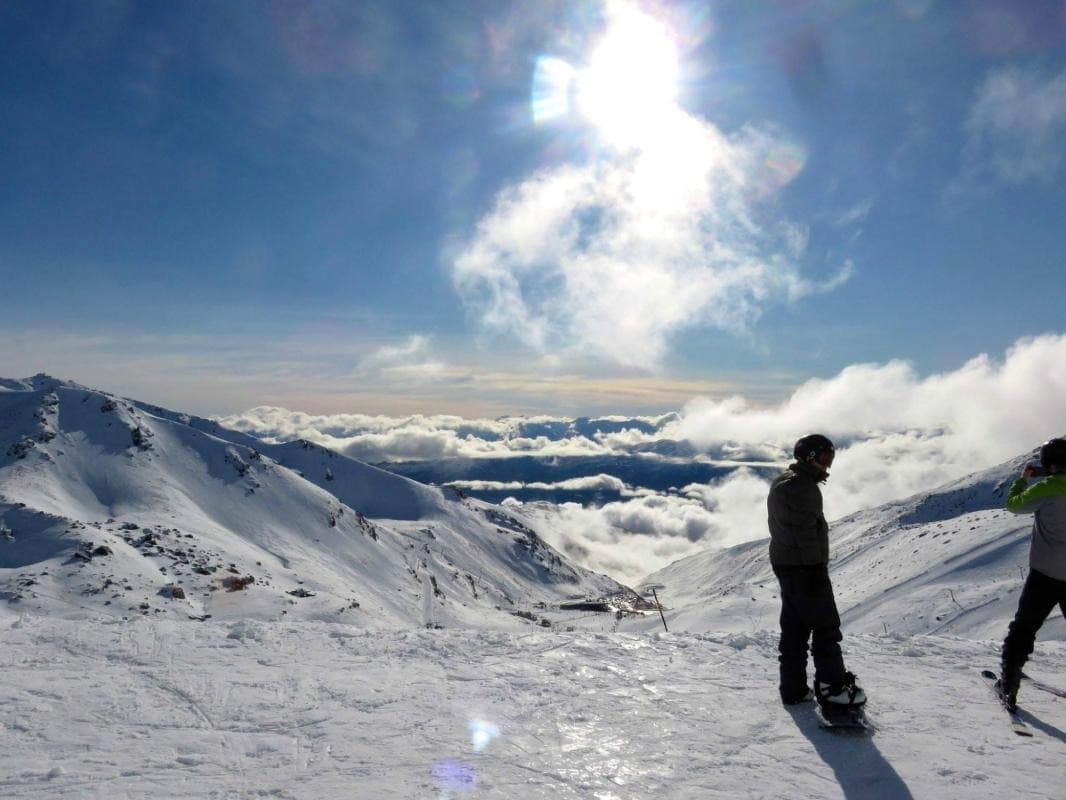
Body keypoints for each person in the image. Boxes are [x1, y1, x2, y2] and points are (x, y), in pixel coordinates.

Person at [767, 434, 866, 709]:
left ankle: (793, 688)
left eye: (830, 460)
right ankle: (832, 687)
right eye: (823, 459)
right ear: (809, 457)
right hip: (805, 568)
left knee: (795, 629)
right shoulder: (802, 487)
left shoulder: (787, 480)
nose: (827, 466)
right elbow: (805, 534)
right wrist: (815, 572)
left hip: (788, 566)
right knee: (825, 628)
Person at [997, 437, 1066, 712]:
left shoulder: (1047, 488)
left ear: (1049, 465)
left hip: (1045, 574)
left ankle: (1009, 683)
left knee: (1024, 629)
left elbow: (1014, 505)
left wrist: (1022, 480)